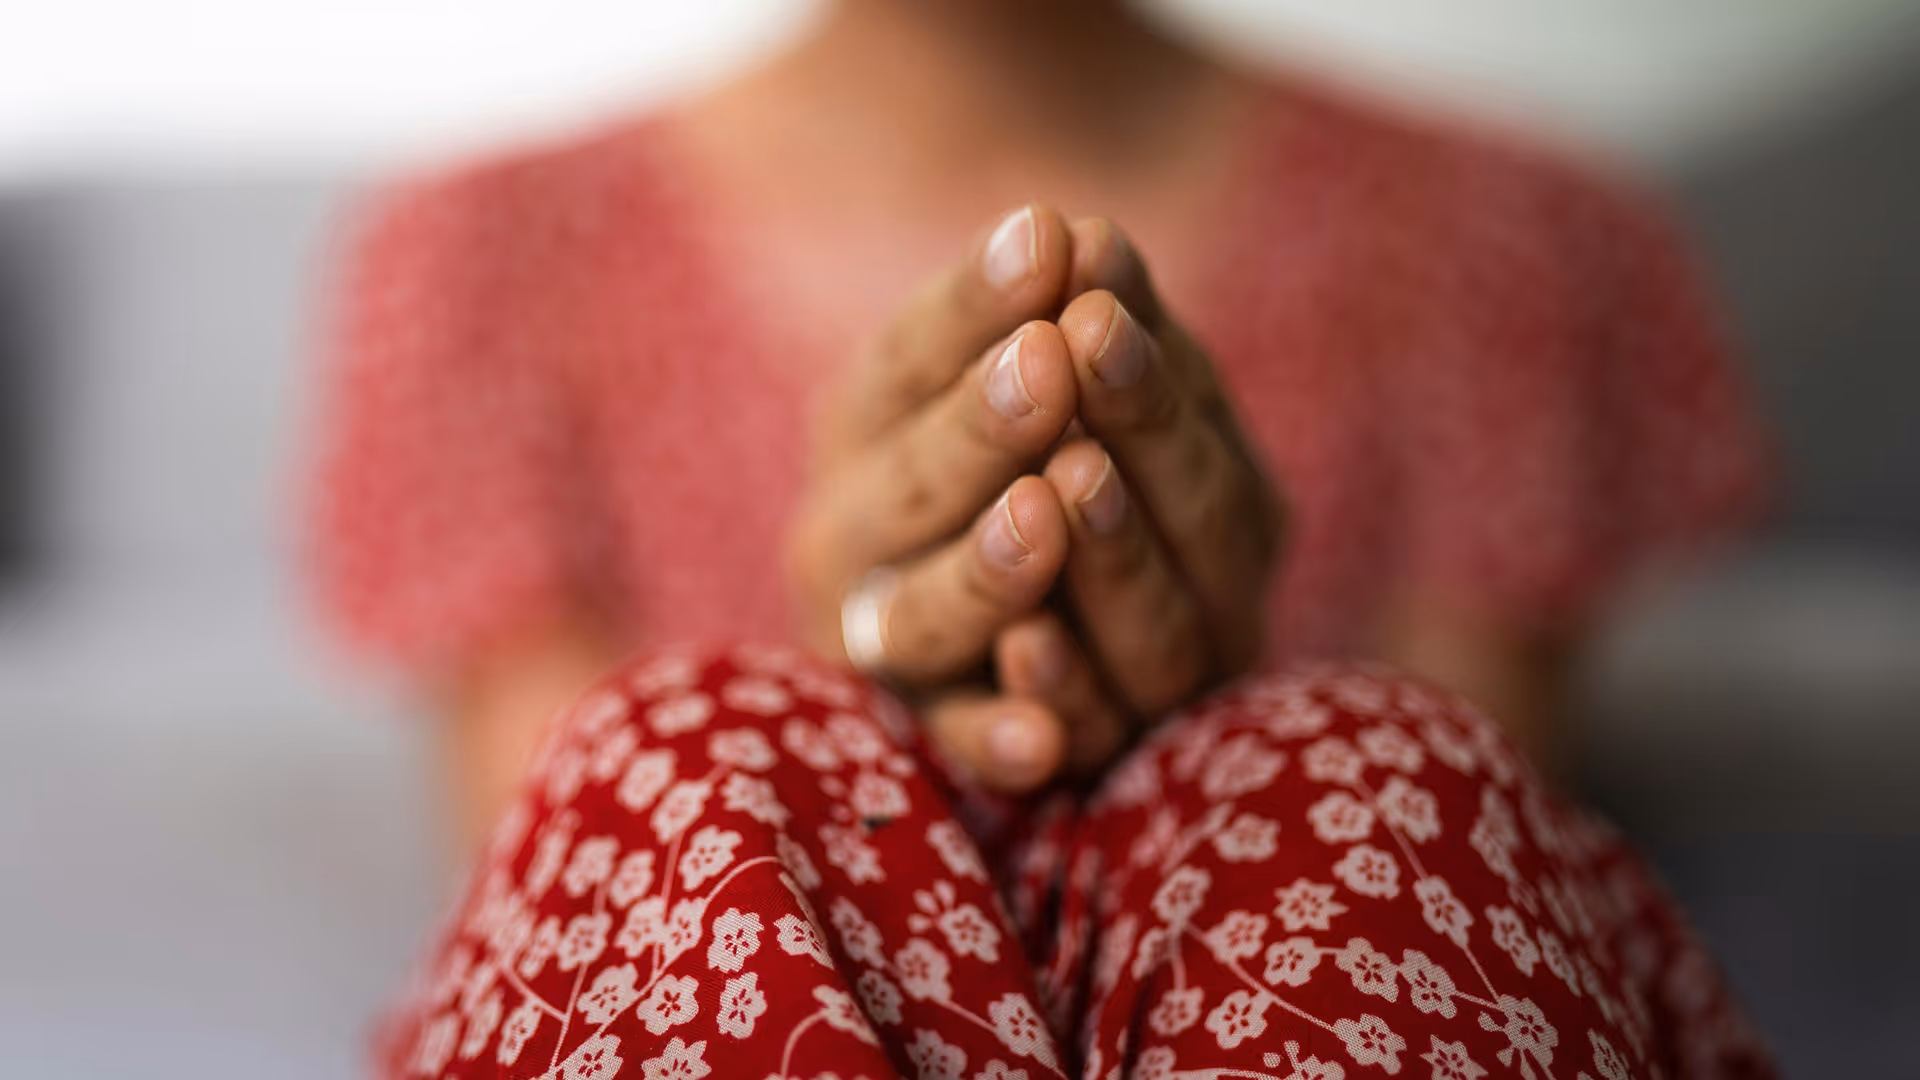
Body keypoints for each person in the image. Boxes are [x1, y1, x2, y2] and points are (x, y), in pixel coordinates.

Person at [306, 2, 1775, 1077]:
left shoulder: (1508, 233)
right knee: (684, 760)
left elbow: (1480, 827)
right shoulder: (483, 249)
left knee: (1365, 775)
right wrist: (858, 701)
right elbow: (572, 893)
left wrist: (1216, 709)